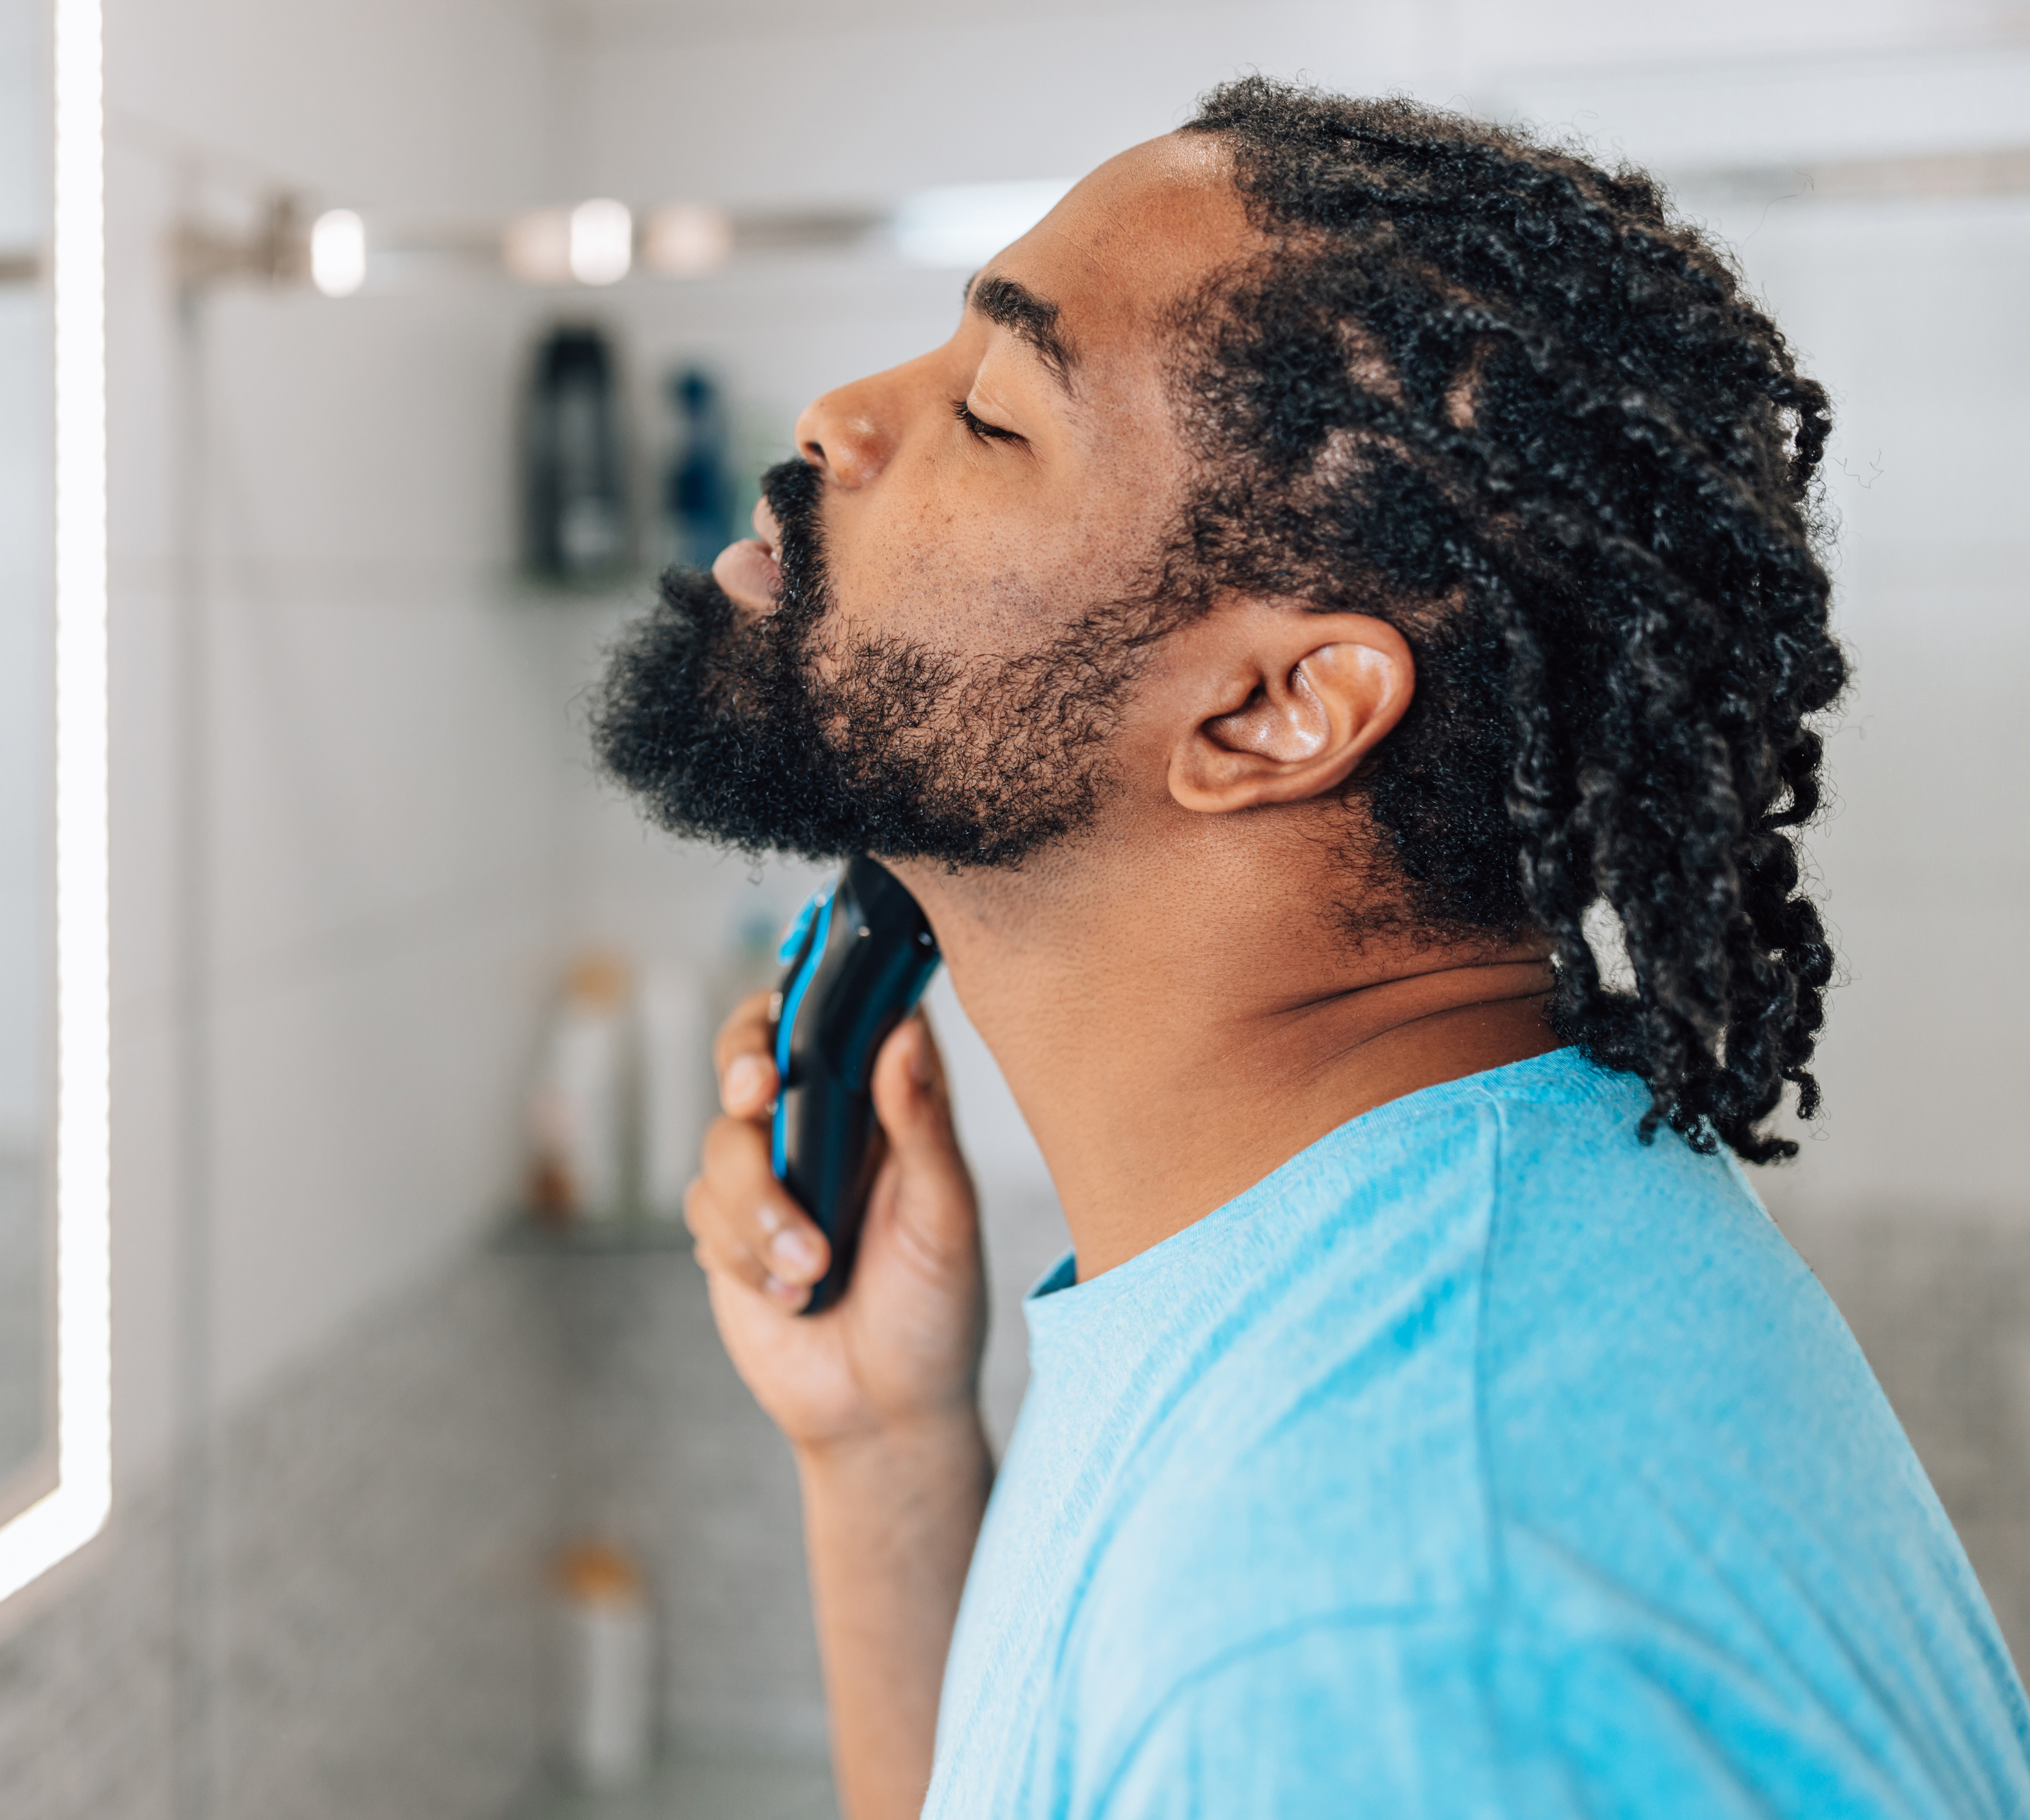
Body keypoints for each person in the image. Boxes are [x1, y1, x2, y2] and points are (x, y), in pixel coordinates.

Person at [591, 78, 2030, 1819]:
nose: (838, 418)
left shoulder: (1371, 1650)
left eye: (991, 412)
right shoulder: (1372, 1262)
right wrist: (880, 1457)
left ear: (1276, 709)